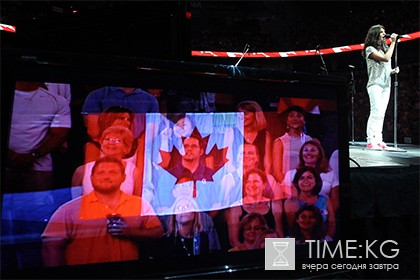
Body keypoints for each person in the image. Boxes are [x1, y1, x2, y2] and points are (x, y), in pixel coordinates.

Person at [41, 156, 163, 266]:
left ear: (123, 177)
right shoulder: (69, 209)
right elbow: (51, 247)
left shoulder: (140, 204)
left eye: (112, 172)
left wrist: (130, 232)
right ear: (91, 178)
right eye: (101, 172)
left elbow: (157, 232)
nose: (106, 176)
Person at [6, 81, 71, 192]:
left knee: (38, 208)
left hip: (39, 169)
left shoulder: (58, 101)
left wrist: (32, 156)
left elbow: (59, 134)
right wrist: (11, 156)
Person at [72, 126, 142, 196]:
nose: (111, 142)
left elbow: (138, 201)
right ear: (101, 144)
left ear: (126, 148)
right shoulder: (82, 171)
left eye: (117, 140)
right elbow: (75, 202)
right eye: (107, 139)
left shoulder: (134, 172)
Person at [362, 25, 400, 150]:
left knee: (382, 114)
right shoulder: (370, 49)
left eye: (384, 32)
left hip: (386, 85)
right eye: (381, 32)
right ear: (375, 34)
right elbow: (386, 58)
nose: (384, 34)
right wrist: (393, 43)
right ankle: (370, 140)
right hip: (375, 85)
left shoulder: (384, 48)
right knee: (375, 112)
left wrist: (392, 71)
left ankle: (379, 140)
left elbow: (386, 67)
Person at [225, 169, 283, 248]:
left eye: (255, 181)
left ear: (264, 184)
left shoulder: (274, 206)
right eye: (248, 182)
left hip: (271, 252)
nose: (251, 185)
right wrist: (252, 256)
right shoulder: (236, 207)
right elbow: (233, 241)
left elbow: (280, 236)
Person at [280, 139, 339, 212]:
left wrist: (328, 216)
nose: (308, 153)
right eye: (305, 150)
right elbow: (283, 196)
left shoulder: (330, 174)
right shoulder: (291, 174)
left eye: (313, 150)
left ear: (320, 155)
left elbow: (335, 200)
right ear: (301, 154)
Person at [81, 86, 159, 140]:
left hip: (138, 151)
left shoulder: (150, 100)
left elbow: (152, 132)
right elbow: (93, 131)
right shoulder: (96, 96)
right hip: (103, 149)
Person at [283, 166, 335, 239]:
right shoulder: (290, 202)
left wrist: (327, 240)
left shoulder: (325, 199)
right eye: (301, 178)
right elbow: (293, 227)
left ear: (316, 181)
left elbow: (332, 223)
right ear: (297, 183)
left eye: (309, 177)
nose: (306, 181)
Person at [272, 106, 312, 183]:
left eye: (299, 116)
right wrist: (289, 187)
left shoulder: (310, 141)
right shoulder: (280, 142)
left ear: (304, 121)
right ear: (287, 121)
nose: (295, 118)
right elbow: (277, 172)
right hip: (286, 185)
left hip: (307, 184)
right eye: (291, 116)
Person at [237, 100, 272, 173]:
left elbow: (267, 164)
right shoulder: (232, 133)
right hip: (238, 177)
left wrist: (263, 179)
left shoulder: (265, 135)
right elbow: (229, 163)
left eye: (245, 113)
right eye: (239, 114)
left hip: (258, 176)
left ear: (256, 114)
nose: (242, 117)